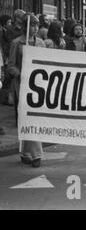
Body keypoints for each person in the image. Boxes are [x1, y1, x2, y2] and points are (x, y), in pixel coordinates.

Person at [8, 13, 45, 167]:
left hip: (39, 86)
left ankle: (25, 152)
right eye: (32, 25)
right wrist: (21, 75)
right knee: (27, 117)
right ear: (25, 26)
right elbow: (10, 65)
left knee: (35, 117)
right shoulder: (17, 43)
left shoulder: (41, 43)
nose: (35, 28)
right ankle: (36, 154)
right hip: (22, 85)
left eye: (37, 25)